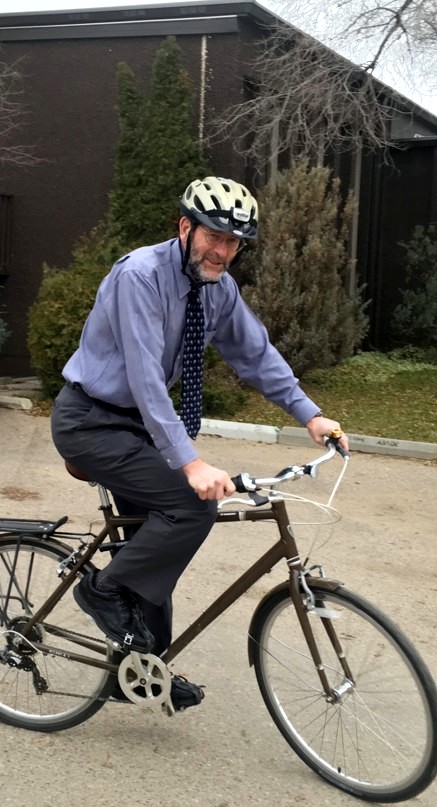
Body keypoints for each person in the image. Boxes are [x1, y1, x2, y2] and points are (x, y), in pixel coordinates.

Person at [51, 176, 348, 710]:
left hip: (137, 426)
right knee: (190, 506)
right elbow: (144, 379)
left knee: (154, 549)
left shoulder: (219, 288)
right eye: (214, 235)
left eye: (234, 242)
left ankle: (140, 669)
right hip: (91, 422)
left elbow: (254, 355)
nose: (222, 250)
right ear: (185, 227)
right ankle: (99, 592)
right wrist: (189, 463)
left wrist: (311, 415)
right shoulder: (139, 276)